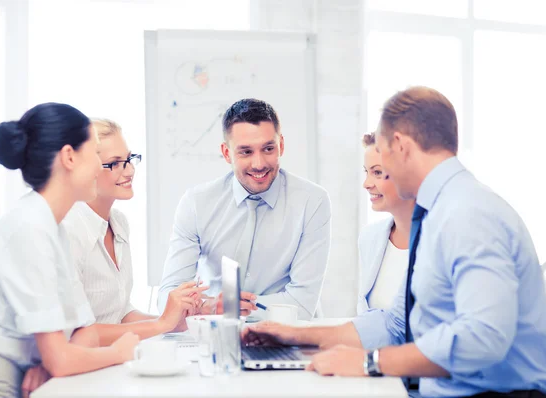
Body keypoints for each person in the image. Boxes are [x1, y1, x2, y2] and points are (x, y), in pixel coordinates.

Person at [242, 87, 546, 397]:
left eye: (382, 156)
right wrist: (295, 335)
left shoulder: (467, 213)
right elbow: (397, 324)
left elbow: (483, 339)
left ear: (400, 146)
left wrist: (369, 362)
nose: (372, 177)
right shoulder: (437, 212)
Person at [0, 103, 139, 398]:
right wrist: (117, 352)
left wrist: (56, 362)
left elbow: (85, 331)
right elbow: (62, 357)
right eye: (95, 154)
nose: (101, 170)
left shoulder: (53, 227)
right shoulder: (29, 227)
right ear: (70, 157)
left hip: (29, 374)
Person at [158, 98, 331, 320]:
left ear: (282, 146)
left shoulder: (312, 201)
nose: (259, 164)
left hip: (289, 335)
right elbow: (168, 298)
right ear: (227, 153)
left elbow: (302, 304)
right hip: (217, 334)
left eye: (268, 148)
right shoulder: (196, 204)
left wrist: (223, 306)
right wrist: (211, 307)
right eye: (246, 152)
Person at [61, 119, 206, 346]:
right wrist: (161, 324)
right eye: (115, 163)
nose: (130, 170)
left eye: (129, 159)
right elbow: (75, 333)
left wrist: (173, 321)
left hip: (107, 360)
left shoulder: (119, 223)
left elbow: (120, 314)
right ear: (87, 168)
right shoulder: (68, 231)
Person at [358, 132, 414, 314]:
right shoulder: (370, 238)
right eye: (367, 172)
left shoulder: (440, 239)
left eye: (377, 172)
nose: (366, 183)